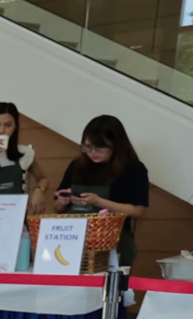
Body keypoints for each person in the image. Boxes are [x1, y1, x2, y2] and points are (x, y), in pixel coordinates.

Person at [51, 114, 149, 266]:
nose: (93, 152)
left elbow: (137, 210)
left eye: (100, 147)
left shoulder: (133, 169)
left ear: (116, 144)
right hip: (71, 238)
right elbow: (57, 207)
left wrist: (99, 202)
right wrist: (63, 200)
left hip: (113, 241)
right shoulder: (77, 166)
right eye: (87, 147)